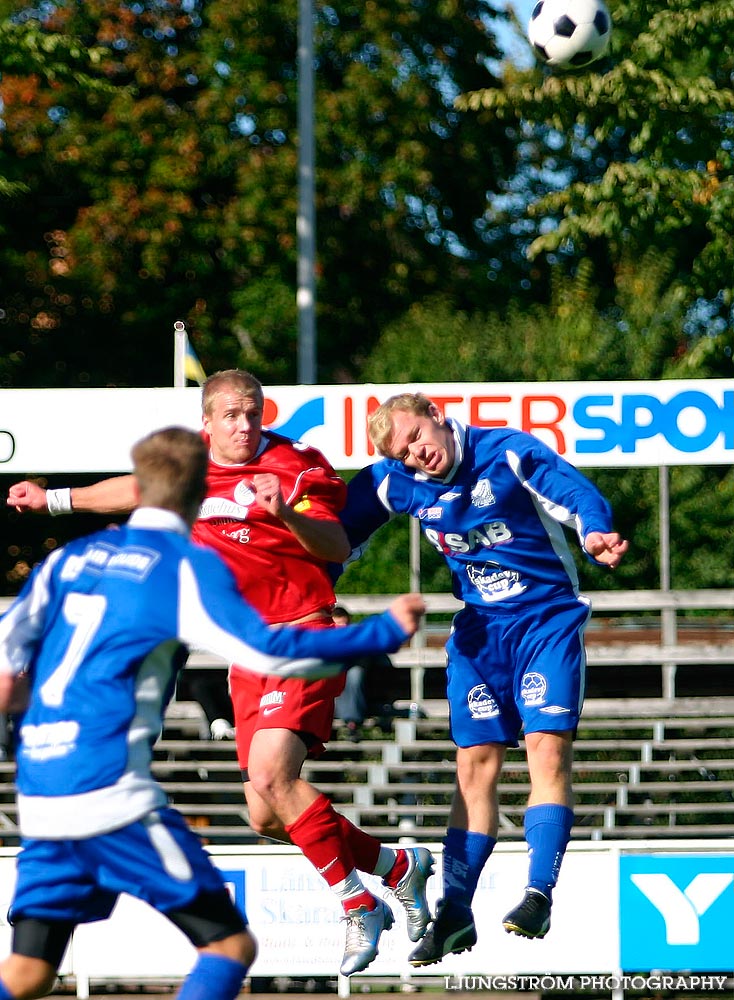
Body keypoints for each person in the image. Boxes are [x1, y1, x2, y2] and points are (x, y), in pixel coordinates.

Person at [7, 371, 436, 977]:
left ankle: (356, 901)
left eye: (252, 413)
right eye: (231, 415)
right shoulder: (189, 475)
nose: (244, 424)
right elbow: (134, 489)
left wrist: (285, 512)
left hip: (301, 635)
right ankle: (396, 868)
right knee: (264, 815)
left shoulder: (297, 465)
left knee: (270, 774)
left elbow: (336, 545)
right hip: (244, 654)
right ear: (207, 422)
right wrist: (51, 499)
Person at [336, 392, 629, 967]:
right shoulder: (394, 480)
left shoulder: (506, 451)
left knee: (546, 752)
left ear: (438, 418)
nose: (418, 456)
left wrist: (595, 531)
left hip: (545, 620)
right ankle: (455, 911)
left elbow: (569, 490)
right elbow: (339, 529)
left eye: (418, 437)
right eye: (405, 453)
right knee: (473, 766)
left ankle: (538, 893)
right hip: (478, 634)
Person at [332, 605, 399, 742]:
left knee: (354, 674)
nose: (341, 628)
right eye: (338, 625)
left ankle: (352, 723)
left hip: (365, 683)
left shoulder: (358, 637)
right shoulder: (324, 640)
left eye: (344, 624)